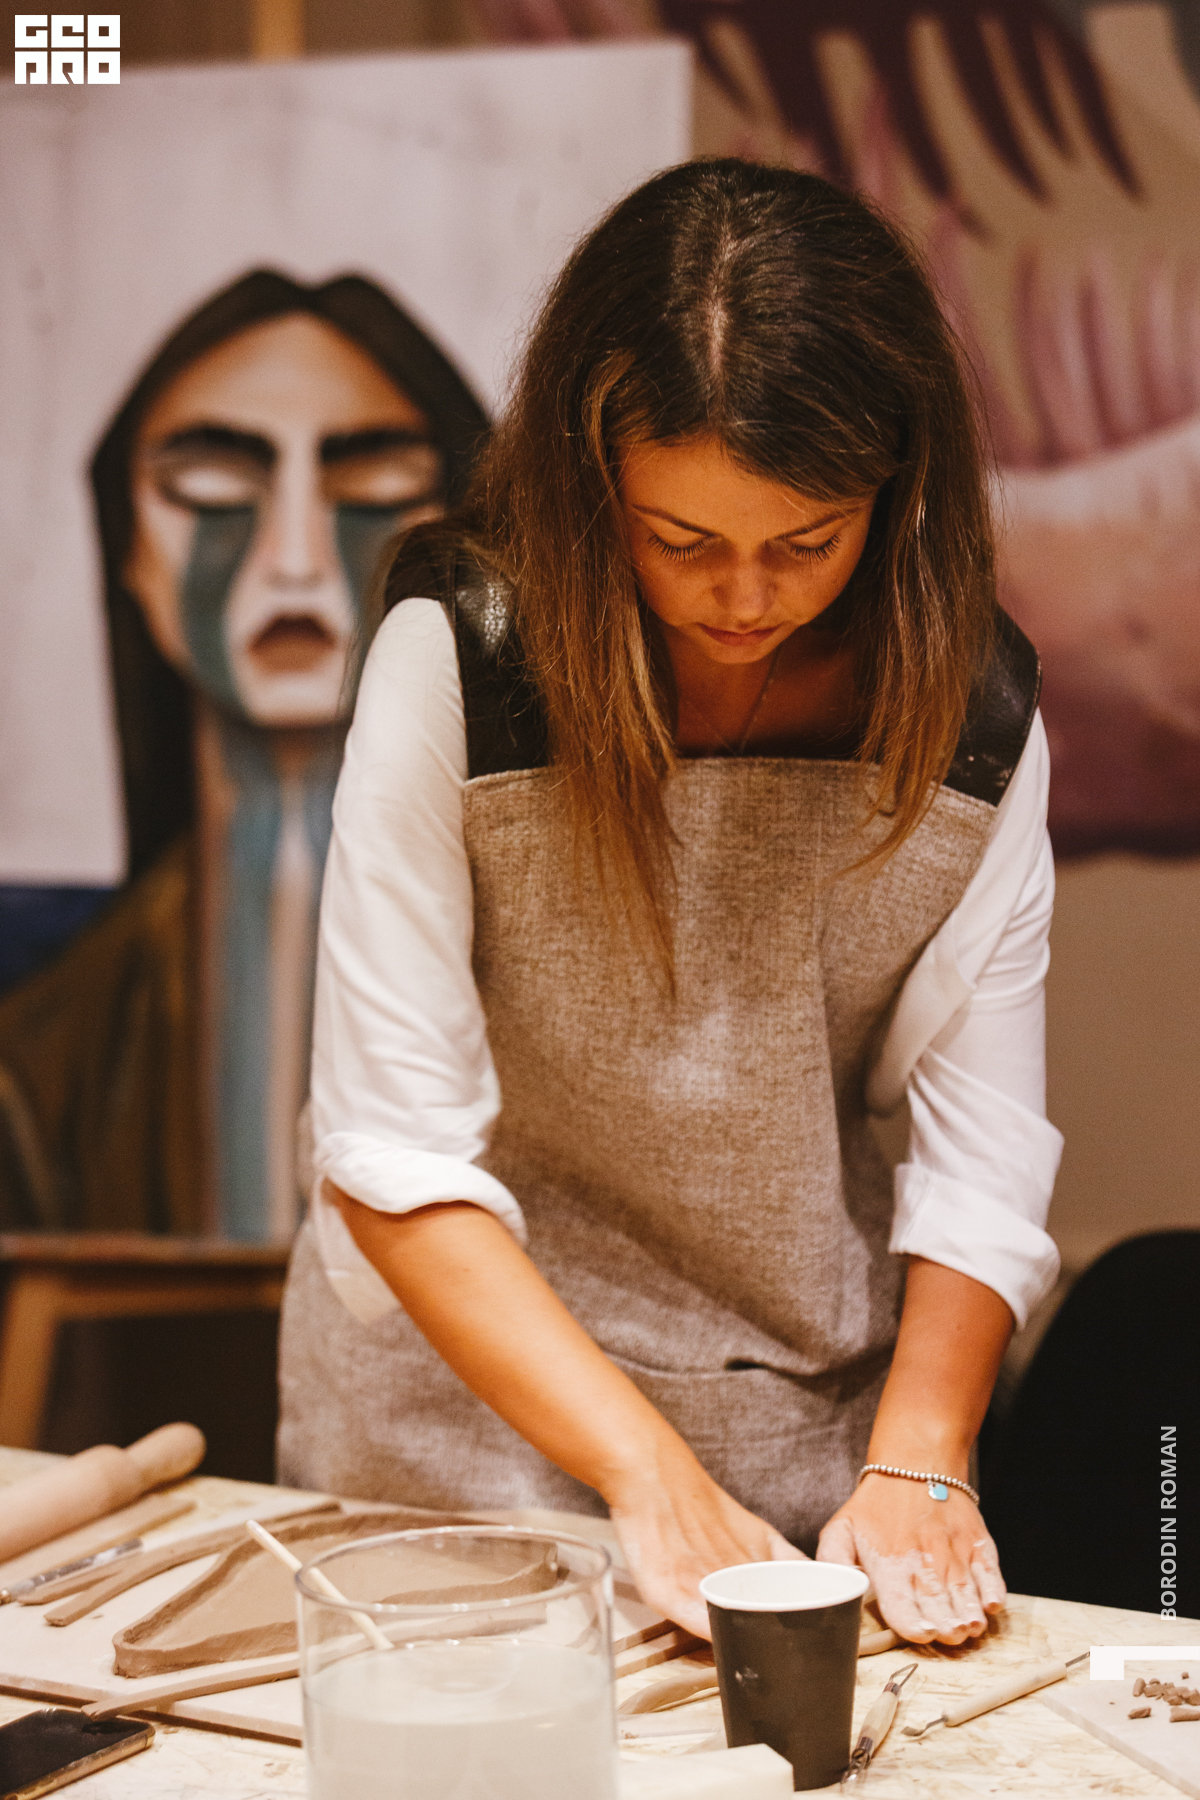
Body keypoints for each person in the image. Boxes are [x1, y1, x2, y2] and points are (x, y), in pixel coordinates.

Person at [277, 160, 1063, 1647]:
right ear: (592, 490)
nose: (744, 599)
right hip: (456, 1430)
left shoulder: (974, 715)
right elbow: (390, 1149)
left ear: (896, 494)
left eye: (806, 541)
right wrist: (643, 1473)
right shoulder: (463, 663)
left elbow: (983, 1150)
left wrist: (921, 1455)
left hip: (801, 1427)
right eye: (682, 540)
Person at [0, 270, 487, 1238]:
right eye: (215, 487)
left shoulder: (553, 989)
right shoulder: (38, 1070)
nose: (295, 559)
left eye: (374, 484)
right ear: (129, 546)